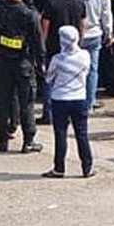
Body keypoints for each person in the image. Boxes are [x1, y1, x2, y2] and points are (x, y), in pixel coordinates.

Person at [0, 0, 44, 153]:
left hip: (3, 61)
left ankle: (2, 139)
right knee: (26, 102)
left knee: (2, 100)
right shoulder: (29, 14)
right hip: (23, 63)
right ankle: (28, 141)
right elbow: (38, 42)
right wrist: (41, 62)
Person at [42, 25, 95, 178]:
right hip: (79, 98)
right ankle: (87, 167)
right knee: (82, 134)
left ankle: (59, 168)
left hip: (60, 99)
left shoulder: (57, 59)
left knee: (60, 134)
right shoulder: (85, 55)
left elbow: (49, 78)